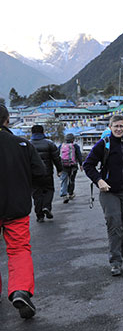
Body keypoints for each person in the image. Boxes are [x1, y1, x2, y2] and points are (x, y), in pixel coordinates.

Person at [83, 115, 123, 276]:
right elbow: (88, 165)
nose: (118, 129)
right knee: (114, 223)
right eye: (115, 126)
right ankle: (115, 261)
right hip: (109, 191)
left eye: (121, 126)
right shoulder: (103, 144)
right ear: (110, 127)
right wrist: (99, 181)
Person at [0, 104, 46, 319]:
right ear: (7, 120)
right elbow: (40, 172)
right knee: (18, 249)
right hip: (16, 207)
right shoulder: (22, 144)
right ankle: (20, 290)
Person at [30, 125, 63, 222]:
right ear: (43, 132)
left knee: (37, 193)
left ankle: (39, 216)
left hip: (33, 174)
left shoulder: (28, 144)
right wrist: (59, 169)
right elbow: (56, 158)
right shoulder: (49, 143)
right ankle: (46, 207)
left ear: (32, 133)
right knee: (49, 190)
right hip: (47, 172)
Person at [58, 133, 83, 203]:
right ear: (73, 139)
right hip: (73, 167)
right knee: (72, 180)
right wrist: (81, 164)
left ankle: (64, 195)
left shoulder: (61, 146)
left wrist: (58, 168)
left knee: (64, 180)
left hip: (63, 166)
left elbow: (57, 156)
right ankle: (71, 194)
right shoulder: (75, 146)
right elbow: (79, 156)